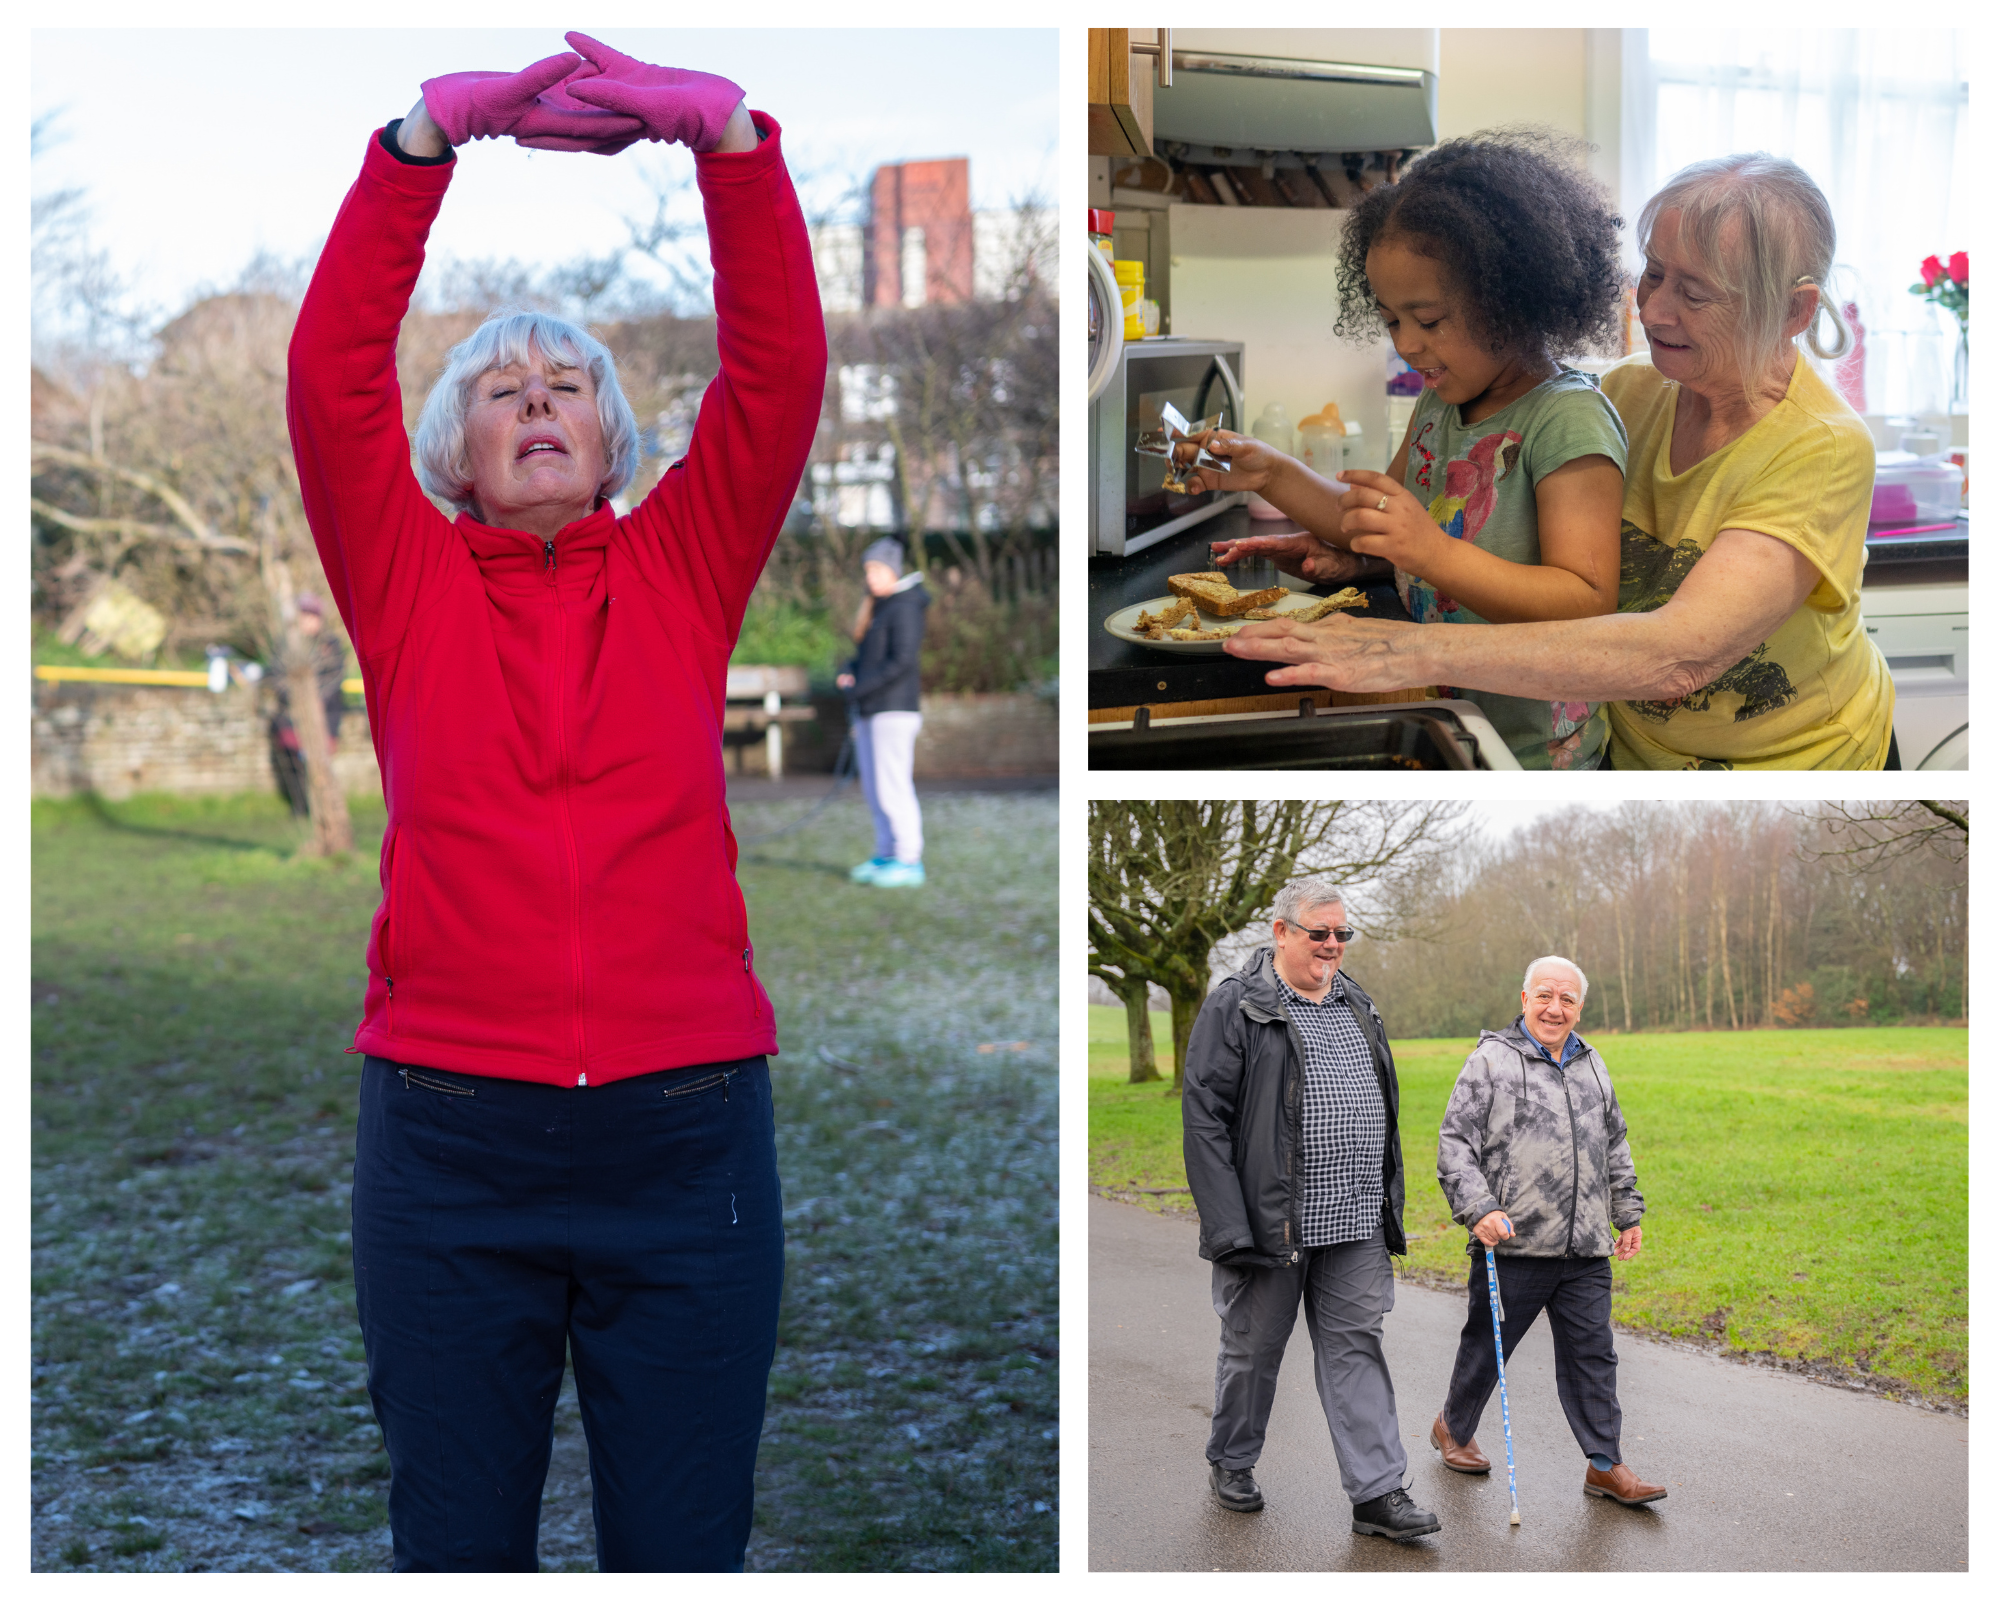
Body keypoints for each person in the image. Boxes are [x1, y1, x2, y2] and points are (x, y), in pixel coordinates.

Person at [286, 33, 826, 1572]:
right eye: (501, 384)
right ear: (454, 445)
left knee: (681, 1544)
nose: (538, 395)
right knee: (459, 1544)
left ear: (611, 437)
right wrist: (414, 151)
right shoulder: (403, 583)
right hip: (450, 1146)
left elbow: (780, 370)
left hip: (687, 1142)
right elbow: (328, 384)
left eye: (569, 381)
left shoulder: (682, 562)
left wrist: (728, 138)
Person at [1224, 153, 1894, 770]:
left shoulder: (1823, 447)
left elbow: (1678, 656)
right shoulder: (1633, 390)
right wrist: (1377, 556)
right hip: (1634, 753)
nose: (1654, 309)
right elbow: (1517, 532)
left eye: (1694, 293)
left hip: (1791, 765)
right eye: (1654, 272)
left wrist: (1402, 650)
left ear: (1794, 309)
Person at [1196, 130, 1630, 770]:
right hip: (1447, 712)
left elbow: (1587, 603)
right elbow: (1366, 520)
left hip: (1536, 752)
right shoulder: (1440, 402)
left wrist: (1432, 551)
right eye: (1391, 320)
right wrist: (1272, 472)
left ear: (1512, 302)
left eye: (1428, 321)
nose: (1407, 344)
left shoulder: (1567, 418)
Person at [1181, 876, 1441, 1542]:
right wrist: (1229, 1227)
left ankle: (1378, 1494)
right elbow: (1205, 1120)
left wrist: (1388, 1204)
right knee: (1253, 1352)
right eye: (1317, 932)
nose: (1331, 945)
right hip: (1273, 1223)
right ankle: (1231, 1460)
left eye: (1341, 934)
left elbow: (1379, 1105)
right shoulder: (1237, 1007)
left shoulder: (1360, 1004)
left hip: (1354, 1220)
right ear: (1279, 931)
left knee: (1358, 1348)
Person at [1432, 957, 1665, 1509]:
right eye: (1544, 996)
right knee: (1487, 1348)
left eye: (1567, 999)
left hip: (1584, 1244)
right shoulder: (1490, 1060)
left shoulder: (1592, 1062)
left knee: (1594, 1354)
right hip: (1513, 1242)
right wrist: (1478, 1207)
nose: (1555, 1008)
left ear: (1580, 1007)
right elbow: (1454, 1143)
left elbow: (1615, 1141)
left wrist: (1627, 1213)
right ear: (1524, 998)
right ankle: (1453, 1428)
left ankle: (1605, 1465)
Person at [837, 538, 930, 888]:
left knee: (893, 787)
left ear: (893, 569)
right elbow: (866, 656)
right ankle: (886, 853)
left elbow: (901, 662)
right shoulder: (881, 607)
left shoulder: (905, 606)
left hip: (894, 711)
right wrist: (849, 670)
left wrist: (858, 688)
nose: (871, 577)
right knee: (876, 789)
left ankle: (908, 860)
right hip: (871, 711)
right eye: (867, 571)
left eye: (876, 569)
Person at [268, 594, 350, 816]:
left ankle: (322, 809)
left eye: (311, 616)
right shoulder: (287, 644)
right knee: (292, 761)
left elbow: (334, 680)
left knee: (320, 765)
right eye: (303, 615)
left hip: (324, 715)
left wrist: (313, 700)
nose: (307, 621)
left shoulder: (330, 645)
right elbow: (277, 676)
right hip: (291, 716)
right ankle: (300, 806)